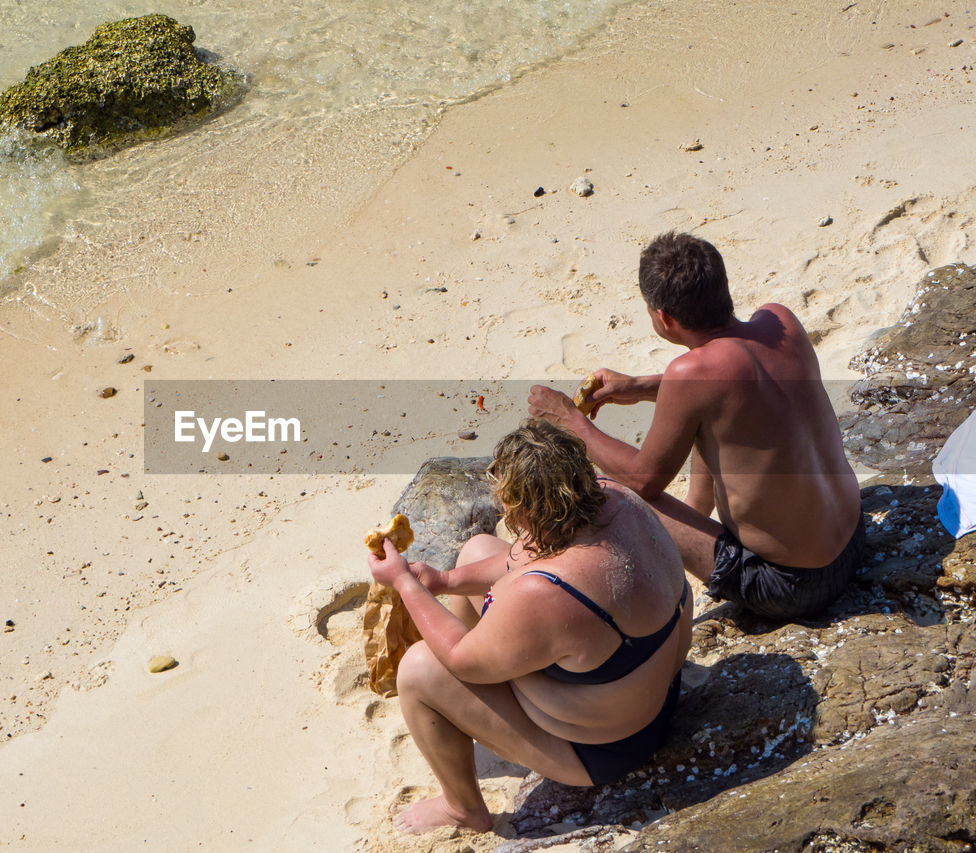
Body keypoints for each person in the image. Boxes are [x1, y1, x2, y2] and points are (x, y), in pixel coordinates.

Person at [367, 419, 690, 835]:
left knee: (419, 669)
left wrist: (404, 582)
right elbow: (515, 561)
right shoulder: (615, 498)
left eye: (507, 504)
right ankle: (463, 708)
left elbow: (461, 660)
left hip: (608, 750)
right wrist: (444, 581)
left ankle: (463, 808)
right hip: (656, 695)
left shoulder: (548, 594)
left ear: (523, 509)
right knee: (475, 550)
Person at [527, 232, 865, 621]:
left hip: (789, 585)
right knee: (712, 426)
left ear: (664, 318)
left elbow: (644, 481)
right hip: (853, 541)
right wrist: (637, 387)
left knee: (613, 491)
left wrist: (570, 420)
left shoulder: (691, 376)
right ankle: (695, 516)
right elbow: (732, 388)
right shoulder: (781, 321)